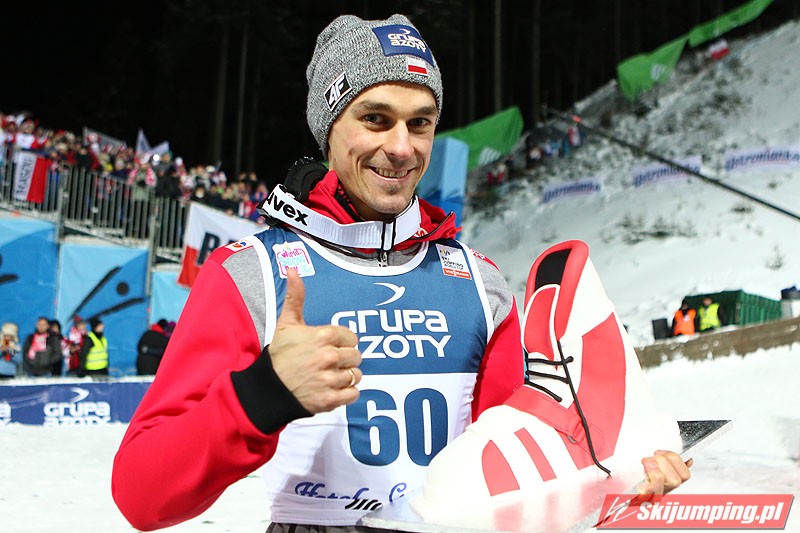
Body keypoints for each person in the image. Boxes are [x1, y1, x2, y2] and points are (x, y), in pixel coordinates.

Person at [112, 14, 690, 532]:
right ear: (329, 129)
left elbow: (530, 467)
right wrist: (264, 392)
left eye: (420, 123)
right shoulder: (252, 273)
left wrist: (623, 485)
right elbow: (142, 495)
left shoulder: (479, 283)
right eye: (375, 118)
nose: (401, 147)